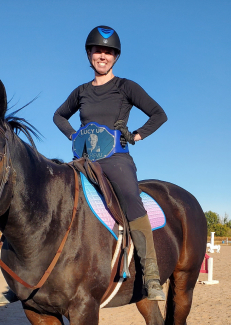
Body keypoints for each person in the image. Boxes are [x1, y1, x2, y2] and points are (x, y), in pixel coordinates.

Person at [53, 26, 167, 300]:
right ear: (89, 54)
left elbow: (158, 114)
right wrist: (73, 134)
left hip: (116, 158)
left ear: (115, 57)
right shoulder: (80, 91)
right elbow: (59, 116)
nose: (101, 56)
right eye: (97, 50)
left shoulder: (126, 87)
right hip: (83, 160)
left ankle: (150, 275)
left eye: (108, 52)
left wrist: (136, 135)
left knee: (130, 196)